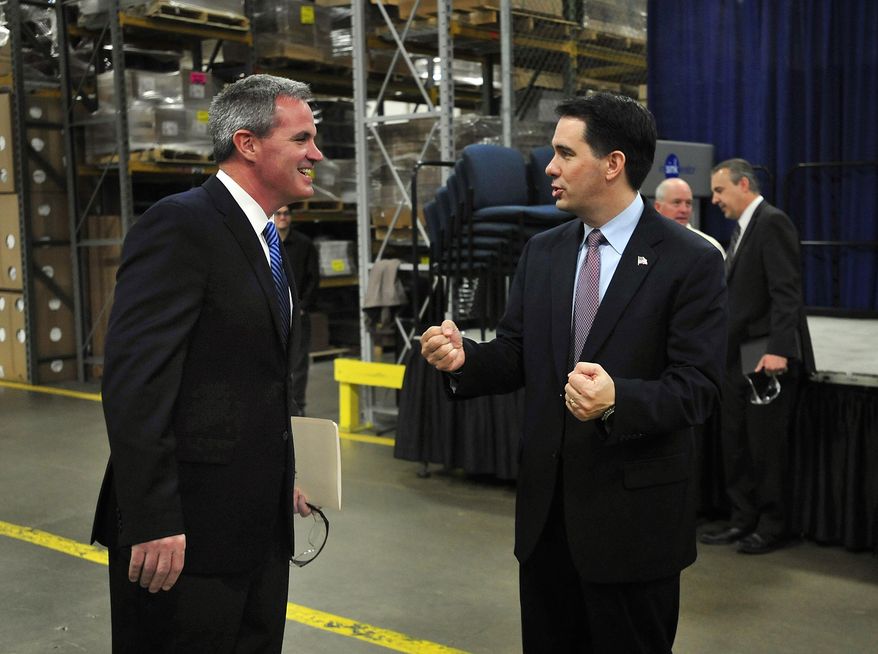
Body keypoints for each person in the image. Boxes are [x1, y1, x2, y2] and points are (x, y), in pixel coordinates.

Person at [421, 93, 727, 653]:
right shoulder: (544, 252)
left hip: (633, 528)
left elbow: (699, 388)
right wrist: (467, 357)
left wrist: (617, 401)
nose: (549, 168)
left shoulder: (691, 260)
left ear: (612, 164)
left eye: (565, 153)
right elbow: (517, 350)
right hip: (546, 525)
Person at [91, 74, 324, 651]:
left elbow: (259, 375)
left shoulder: (268, 240)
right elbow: (136, 384)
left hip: (257, 528)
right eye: (301, 139)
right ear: (247, 144)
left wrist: (288, 473)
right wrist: (152, 519)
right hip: (184, 537)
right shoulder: (180, 225)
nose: (316, 154)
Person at [700, 158, 814, 554]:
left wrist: (779, 350)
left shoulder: (771, 222)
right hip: (738, 353)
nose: (714, 199)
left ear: (743, 184)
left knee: (764, 442)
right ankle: (742, 519)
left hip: (762, 352)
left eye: (719, 190)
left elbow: (786, 292)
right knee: (737, 439)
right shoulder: (744, 229)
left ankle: (771, 524)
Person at [273, 206, 320, 416]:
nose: (282, 217)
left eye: (286, 214)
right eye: (278, 214)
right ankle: (276, 407)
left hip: (297, 315)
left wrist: (302, 307)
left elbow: (313, 279)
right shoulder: (263, 242)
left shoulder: (304, 245)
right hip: (271, 316)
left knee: (299, 365)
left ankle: (297, 409)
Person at [653, 177, 725, 256]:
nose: (684, 210)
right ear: (657, 207)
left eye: (688, 203)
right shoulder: (642, 242)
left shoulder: (710, 246)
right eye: (676, 202)